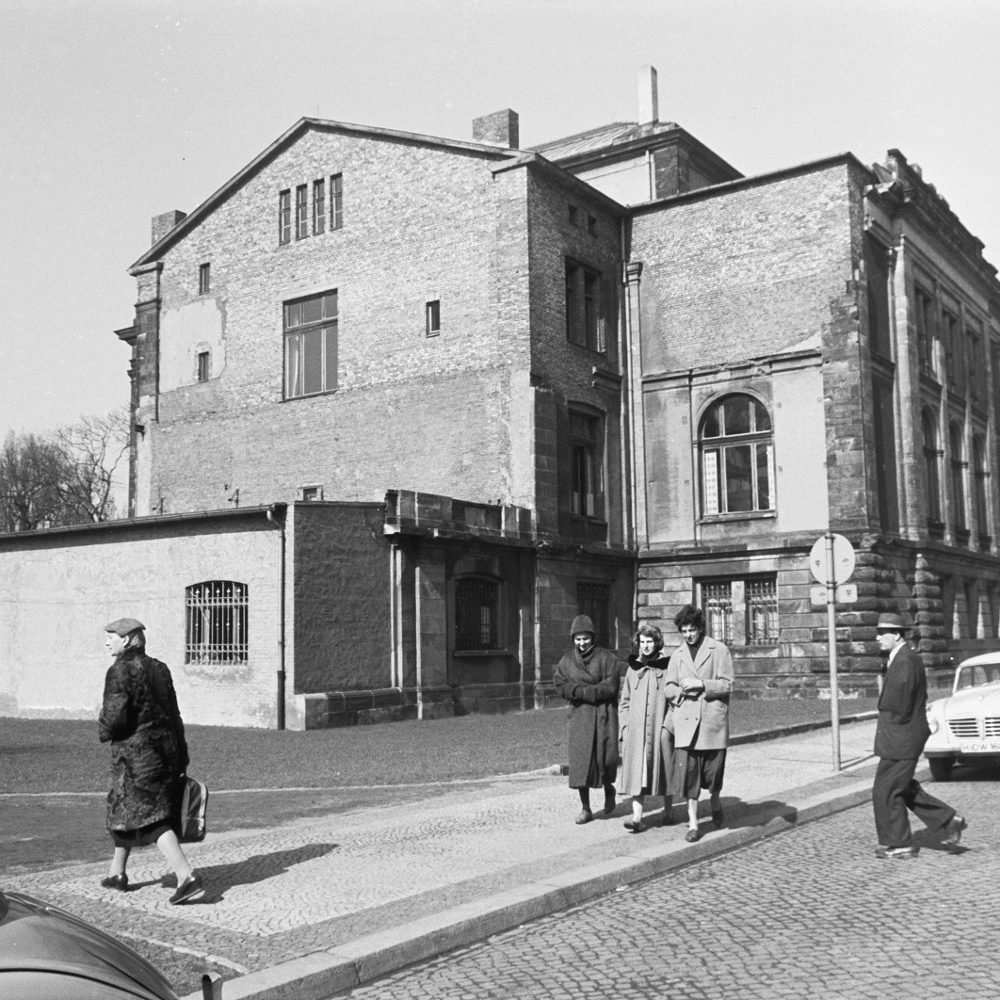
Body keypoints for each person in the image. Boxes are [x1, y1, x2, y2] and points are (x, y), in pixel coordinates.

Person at [98, 617, 205, 904]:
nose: (108, 641)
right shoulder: (160, 668)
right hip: (166, 752)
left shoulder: (119, 670)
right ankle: (117, 873)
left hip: (137, 757)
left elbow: (116, 719)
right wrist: (181, 752)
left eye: (113, 636)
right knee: (126, 811)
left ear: (130, 639)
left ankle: (186, 877)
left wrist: (103, 729)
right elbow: (174, 714)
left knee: (151, 819)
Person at [872, 612, 966, 860]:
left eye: (883, 633)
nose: (878, 637)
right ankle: (948, 821)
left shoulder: (904, 661)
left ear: (898, 635)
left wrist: (889, 728)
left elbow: (899, 704)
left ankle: (901, 843)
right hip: (900, 736)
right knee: (902, 787)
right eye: (878, 632)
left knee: (888, 790)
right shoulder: (901, 658)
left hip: (901, 738)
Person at [664, 604, 733, 843]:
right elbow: (668, 686)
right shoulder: (677, 655)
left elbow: (727, 684)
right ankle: (693, 823)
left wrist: (701, 684)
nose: (688, 635)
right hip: (685, 724)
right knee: (689, 778)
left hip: (711, 723)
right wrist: (678, 692)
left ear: (700, 628)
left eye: (692, 630)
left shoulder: (719, 650)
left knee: (713, 776)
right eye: (684, 631)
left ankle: (715, 800)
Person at [552, 615, 620, 824]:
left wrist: (587, 692)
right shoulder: (567, 660)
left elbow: (611, 685)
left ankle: (609, 788)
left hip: (603, 714)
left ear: (593, 637)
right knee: (581, 763)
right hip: (580, 716)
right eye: (578, 639)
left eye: (585, 639)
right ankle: (586, 808)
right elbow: (559, 683)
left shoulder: (607, 658)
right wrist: (577, 692)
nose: (581, 643)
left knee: (606, 758)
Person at [617, 623, 673, 832]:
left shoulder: (667, 667)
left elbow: (674, 700)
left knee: (665, 769)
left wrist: (668, 727)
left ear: (656, 642)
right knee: (637, 773)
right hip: (636, 733)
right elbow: (624, 702)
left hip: (660, 729)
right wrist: (625, 728)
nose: (646, 646)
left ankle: (668, 810)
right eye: (642, 642)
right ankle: (637, 816)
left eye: (650, 641)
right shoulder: (634, 669)